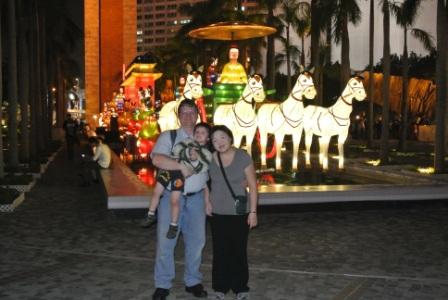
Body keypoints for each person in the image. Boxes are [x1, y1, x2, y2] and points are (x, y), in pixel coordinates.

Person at [150, 99, 209, 300]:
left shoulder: (204, 138)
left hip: (197, 198)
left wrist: (208, 199)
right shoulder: (170, 136)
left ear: (197, 115)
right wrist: (181, 166)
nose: (188, 116)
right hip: (171, 197)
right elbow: (157, 159)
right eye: (183, 113)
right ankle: (162, 283)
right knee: (166, 241)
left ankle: (193, 281)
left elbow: (209, 171)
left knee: (197, 242)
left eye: (191, 112)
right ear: (178, 116)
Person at [206, 125, 258, 300]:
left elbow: (253, 185)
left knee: (238, 250)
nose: (218, 142)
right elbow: (204, 182)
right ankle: (220, 287)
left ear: (229, 137)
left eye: (222, 137)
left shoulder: (242, 157)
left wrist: (253, 211)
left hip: (239, 212)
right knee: (220, 251)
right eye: (214, 140)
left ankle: (240, 287)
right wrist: (207, 202)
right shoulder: (210, 158)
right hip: (217, 212)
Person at [141, 122, 212, 241]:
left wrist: (194, 160)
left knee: (174, 200)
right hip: (169, 169)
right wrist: (182, 155)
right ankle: (151, 213)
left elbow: (202, 167)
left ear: (208, 138)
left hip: (179, 175)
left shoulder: (206, 153)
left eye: (203, 133)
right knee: (156, 191)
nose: (199, 134)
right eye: (197, 132)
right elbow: (177, 150)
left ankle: (173, 225)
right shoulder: (188, 142)